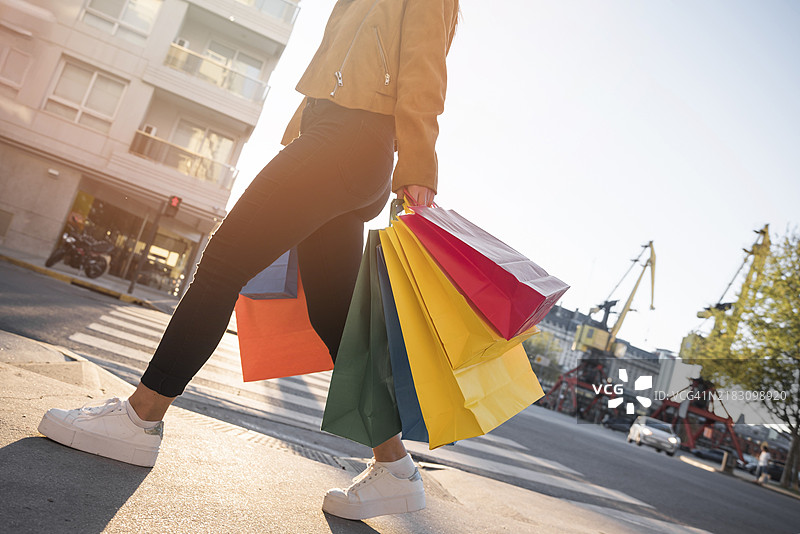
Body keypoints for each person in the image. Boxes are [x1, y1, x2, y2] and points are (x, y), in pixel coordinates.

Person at [37, 0, 460, 522]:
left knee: (221, 268)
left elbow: (425, 65)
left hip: (348, 142)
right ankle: (394, 467)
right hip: (339, 143)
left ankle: (141, 417)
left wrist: (419, 162)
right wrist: (300, 135)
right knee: (335, 319)